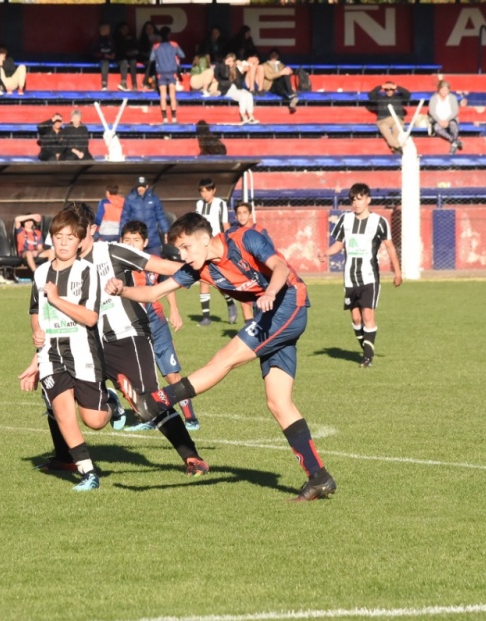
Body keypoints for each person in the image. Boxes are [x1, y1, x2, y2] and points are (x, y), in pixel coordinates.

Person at [105, 212, 337, 502]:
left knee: (224, 357)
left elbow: (279, 267)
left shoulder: (244, 238)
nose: (183, 255)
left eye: (187, 248)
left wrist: (270, 293)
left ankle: (156, 402)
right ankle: (319, 477)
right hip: (271, 316)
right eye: (179, 250)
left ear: (205, 239)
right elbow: (154, 292)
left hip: (289, 301)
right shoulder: (199, 267)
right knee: (278, 402)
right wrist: (122, 289)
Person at [21, 202, 208, 476]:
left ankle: (191, 456)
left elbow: (162, 266)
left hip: (126, 336)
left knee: (148, 402)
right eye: (66, 233)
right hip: (85, 343)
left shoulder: (112, 252)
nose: (71, 240)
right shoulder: (60, 268)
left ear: (91, 231)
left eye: (77, 234)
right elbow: (51, 319)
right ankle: (67, 458)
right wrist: (37, 359)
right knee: (55, 394)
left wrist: (204, 268)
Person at [22, 210, 107, 491]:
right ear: (52, 239)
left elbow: (90, 318)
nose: (63, 243)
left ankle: (111, 402)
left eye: (70, 238)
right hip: (51, 355)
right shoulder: (40, 273)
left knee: (94, 420)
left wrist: (56, 299)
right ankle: (88, 473)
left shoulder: (87, 272)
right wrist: (37, 331)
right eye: (58, 237)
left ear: (79, 241)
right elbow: (35, 311)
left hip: (83, 352)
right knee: (62, 412)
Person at [120, 221, 200, 431]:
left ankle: (191, 418)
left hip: (156, 320)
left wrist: (174, 310)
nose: (131, 244)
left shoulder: (153, 262)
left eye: (135, 240)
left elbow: (167, 284)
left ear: (145, 242)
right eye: (127, 240)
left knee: (170, 371)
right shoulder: (116, 264)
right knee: (139, 373)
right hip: (130, 323)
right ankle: (150, 417)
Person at [320, 183, 402, 369]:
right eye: (353, 200)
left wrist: (397, 272)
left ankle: (367, 357)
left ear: (368, 200)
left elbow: (389, 247)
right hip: (350, 278)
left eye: (360, 199)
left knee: (367, 314)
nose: (356, 203)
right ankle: (366, 349)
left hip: (369, 277)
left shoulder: (379, 222)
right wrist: (326, 253)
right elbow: (339, 244)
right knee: (356, 319)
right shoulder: (345, 220)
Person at [194, 178, 237, 326]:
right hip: (202, 247)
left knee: (220, 282)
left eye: (207, 190)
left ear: (214, 190)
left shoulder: (220, 204)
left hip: (217, 246)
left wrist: (229, 243)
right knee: (204, 280)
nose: (205, 194)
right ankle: (206, 317)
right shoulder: (199, 205)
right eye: (202, 191)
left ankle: (230, 303)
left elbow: (225, 224)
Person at [229, 201, 272, 323]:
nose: (242, 216)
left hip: (261, 275)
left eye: (245, 213)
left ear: (250, 215)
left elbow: (270, 251)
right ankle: (250, 336)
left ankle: (266, 334)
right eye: (239, 213)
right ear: (236, 216)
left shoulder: (260, 231)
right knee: (245, 304)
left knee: (263, 306)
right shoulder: (234, 233)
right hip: (244, 274)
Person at [119, 176, 170, 257]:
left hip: (152, 237)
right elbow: (124, 218)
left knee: (155, 263)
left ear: (147, 186)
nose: (140, 189)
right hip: (136, 238)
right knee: (135, 262)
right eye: (139, 186)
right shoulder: (130, 199)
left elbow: (160, 216)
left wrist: (166, 232)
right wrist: (121, 235)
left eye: (142, 186)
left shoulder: (154, 198)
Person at [149, 27, 185, 124]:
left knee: (163, 96)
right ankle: (174, 118)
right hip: (172, 72)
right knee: (173, 96)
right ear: (169, 35)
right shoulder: (174, 45)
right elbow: (182, 55)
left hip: (161, 73)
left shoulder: (156, 46)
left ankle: (164, 118)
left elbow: (151, 58)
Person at [369, 81, 411, 155]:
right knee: (384, 128)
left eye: (391, 89)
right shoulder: (380, 98)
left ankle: (394, 148)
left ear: (394, 90)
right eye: (387, 90)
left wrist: (396, 86)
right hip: (383, 120)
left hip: (397, 119)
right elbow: (371, 95)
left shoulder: (399, 97)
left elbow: (407, 94)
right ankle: (397, 146)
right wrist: (381, 86)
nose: (389, 91)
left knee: (397, 127)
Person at [428, 80, 463, 155]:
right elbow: (432, 111)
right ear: (439, 89)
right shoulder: (434, 98)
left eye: (446, 90)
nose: (444, 92)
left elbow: (455, 111)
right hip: (438, 120)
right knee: (437, 128)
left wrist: (447, 120)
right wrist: (440, 121)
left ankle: (453, 145)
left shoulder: (452, 98)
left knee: (453, 126)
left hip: (450, 119)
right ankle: (454, 141)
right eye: (443, 90)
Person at [223, 54, 258, 125]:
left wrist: (239, 68)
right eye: (228, 61)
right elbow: (225, 77)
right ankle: (243, 116)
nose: (230, 63)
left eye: (232, 61)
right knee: (242, 96)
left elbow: (238, 83)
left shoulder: (236, 69)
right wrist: (226, 66)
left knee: (249, 95)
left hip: (237, 89)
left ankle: (251, 116)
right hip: (228, 90)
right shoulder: (222, 68)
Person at [262, 48, 299, 113]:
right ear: (269, 56)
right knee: (281, 81)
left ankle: (291, 95)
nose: (274, 56)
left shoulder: (280, 65)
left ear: (278, 56)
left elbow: (288, 72)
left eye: (275, 55)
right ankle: (291, 96)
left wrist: (289, 71)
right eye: (272, 54)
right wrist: (281, 73)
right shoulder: (265, 65)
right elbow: (269, 76)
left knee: (286, 72)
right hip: (271, 84)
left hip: (280, 83)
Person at [114, 22, 140, 91]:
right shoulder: (117, 38)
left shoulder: (130, 38)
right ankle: (123, 83)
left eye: (126, 29)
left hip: (129, 57)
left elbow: (136, 48)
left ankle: (134, 84)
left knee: (133, 61)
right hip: (119, 58)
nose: (125, 30)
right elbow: (117, 51)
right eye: (123, 29)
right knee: (124, 61)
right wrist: (126, 53)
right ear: (120, 30)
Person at [95, 23, 116, 91]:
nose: (108, 30)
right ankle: (104, 83)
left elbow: (115, 49)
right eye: (107, 29)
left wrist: (113, 54)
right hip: (100, 60)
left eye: (108, 29)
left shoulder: (111, 40)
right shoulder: (96, 40)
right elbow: (93, 53)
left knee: (124, 62)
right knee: (105, 62)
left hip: (111, 59)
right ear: (102, 29)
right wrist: (103, 55)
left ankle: (123, 83)